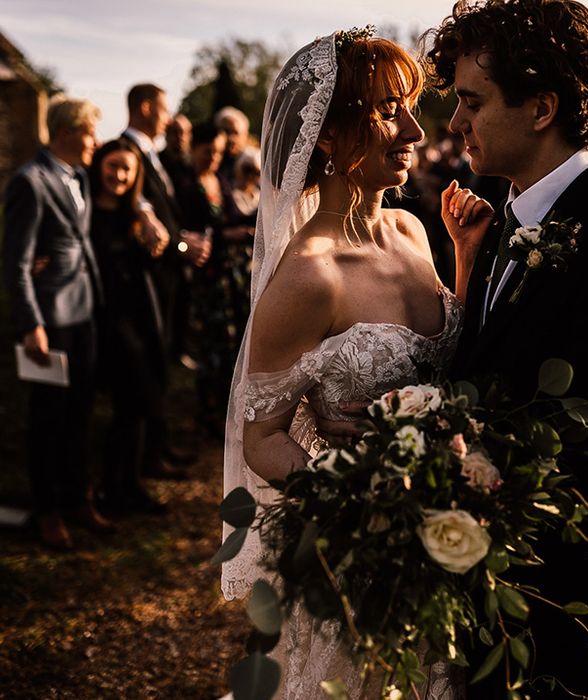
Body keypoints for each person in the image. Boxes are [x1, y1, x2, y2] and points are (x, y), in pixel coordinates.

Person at [425, 1, 588, 697]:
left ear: (540, 108)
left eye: (472, 101)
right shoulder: (506, 219)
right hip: (486, 597)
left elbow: (581, 462)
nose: (454, 123)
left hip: (562, 615)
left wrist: (429, 490)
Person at [222, 31, 466, 698]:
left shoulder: (414, 230)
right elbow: (261, 438)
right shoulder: (309, 277)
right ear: (328, 137)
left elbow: (443, 362)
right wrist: (357, 502)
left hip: (455, 529)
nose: (414, 129)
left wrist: (466, 258)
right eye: (388, 111)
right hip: (368, 557)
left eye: (411, 106)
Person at [2, 95, 114, 549]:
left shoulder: (80, 176)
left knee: (80, 413)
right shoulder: (30, 181)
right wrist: (31, 323)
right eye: (89, 133)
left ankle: (77, 498)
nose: (95, 141)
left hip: (85, 308)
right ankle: (47, 511)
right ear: (66, 132)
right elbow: (16, 261)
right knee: (48, 419)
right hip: (51, 318)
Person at [122, 83, 200, 478]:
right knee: (144, 369)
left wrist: (183, 241)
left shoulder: (151, 153)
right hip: (142, 280)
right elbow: (132, 199)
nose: (168, 117)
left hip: (166, 274)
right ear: (147, 107)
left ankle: (157, 448)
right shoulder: (127, 150)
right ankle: (140, 462)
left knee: (160, 363)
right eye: (165, 108)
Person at [89, 138, 168, 515]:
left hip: (140, 313)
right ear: (99, 166)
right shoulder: (86, 213)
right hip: (106, 318)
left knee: (138, 401)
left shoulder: (132, 214)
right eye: (112, 166)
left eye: (127, 169)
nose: (118, 175)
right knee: (128, 401)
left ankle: (130, 483)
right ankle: (111, 486)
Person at [175, 123, 252, 437]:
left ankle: (228, 409)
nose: (215, 158)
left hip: (232, 275)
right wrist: (228, 235)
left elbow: (233, 216)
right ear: (194, 149)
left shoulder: (220, 179)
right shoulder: (186, 185)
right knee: (212, 345)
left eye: (220, 153)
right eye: (209, 152)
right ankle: (209, 414)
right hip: (208, 277)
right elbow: (193, 229)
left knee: (234, 342)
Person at [214, 106, 252, 191]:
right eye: (226, 131)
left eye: (235, 133)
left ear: (245, 136)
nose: (231, 138)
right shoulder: (211, 162)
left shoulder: (252, 164)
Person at [160, 113, 193, 188]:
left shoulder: (194, 165)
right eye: (176, 132)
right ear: (166, 134)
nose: (181, 137)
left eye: (186, 132)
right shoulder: (156, 162)